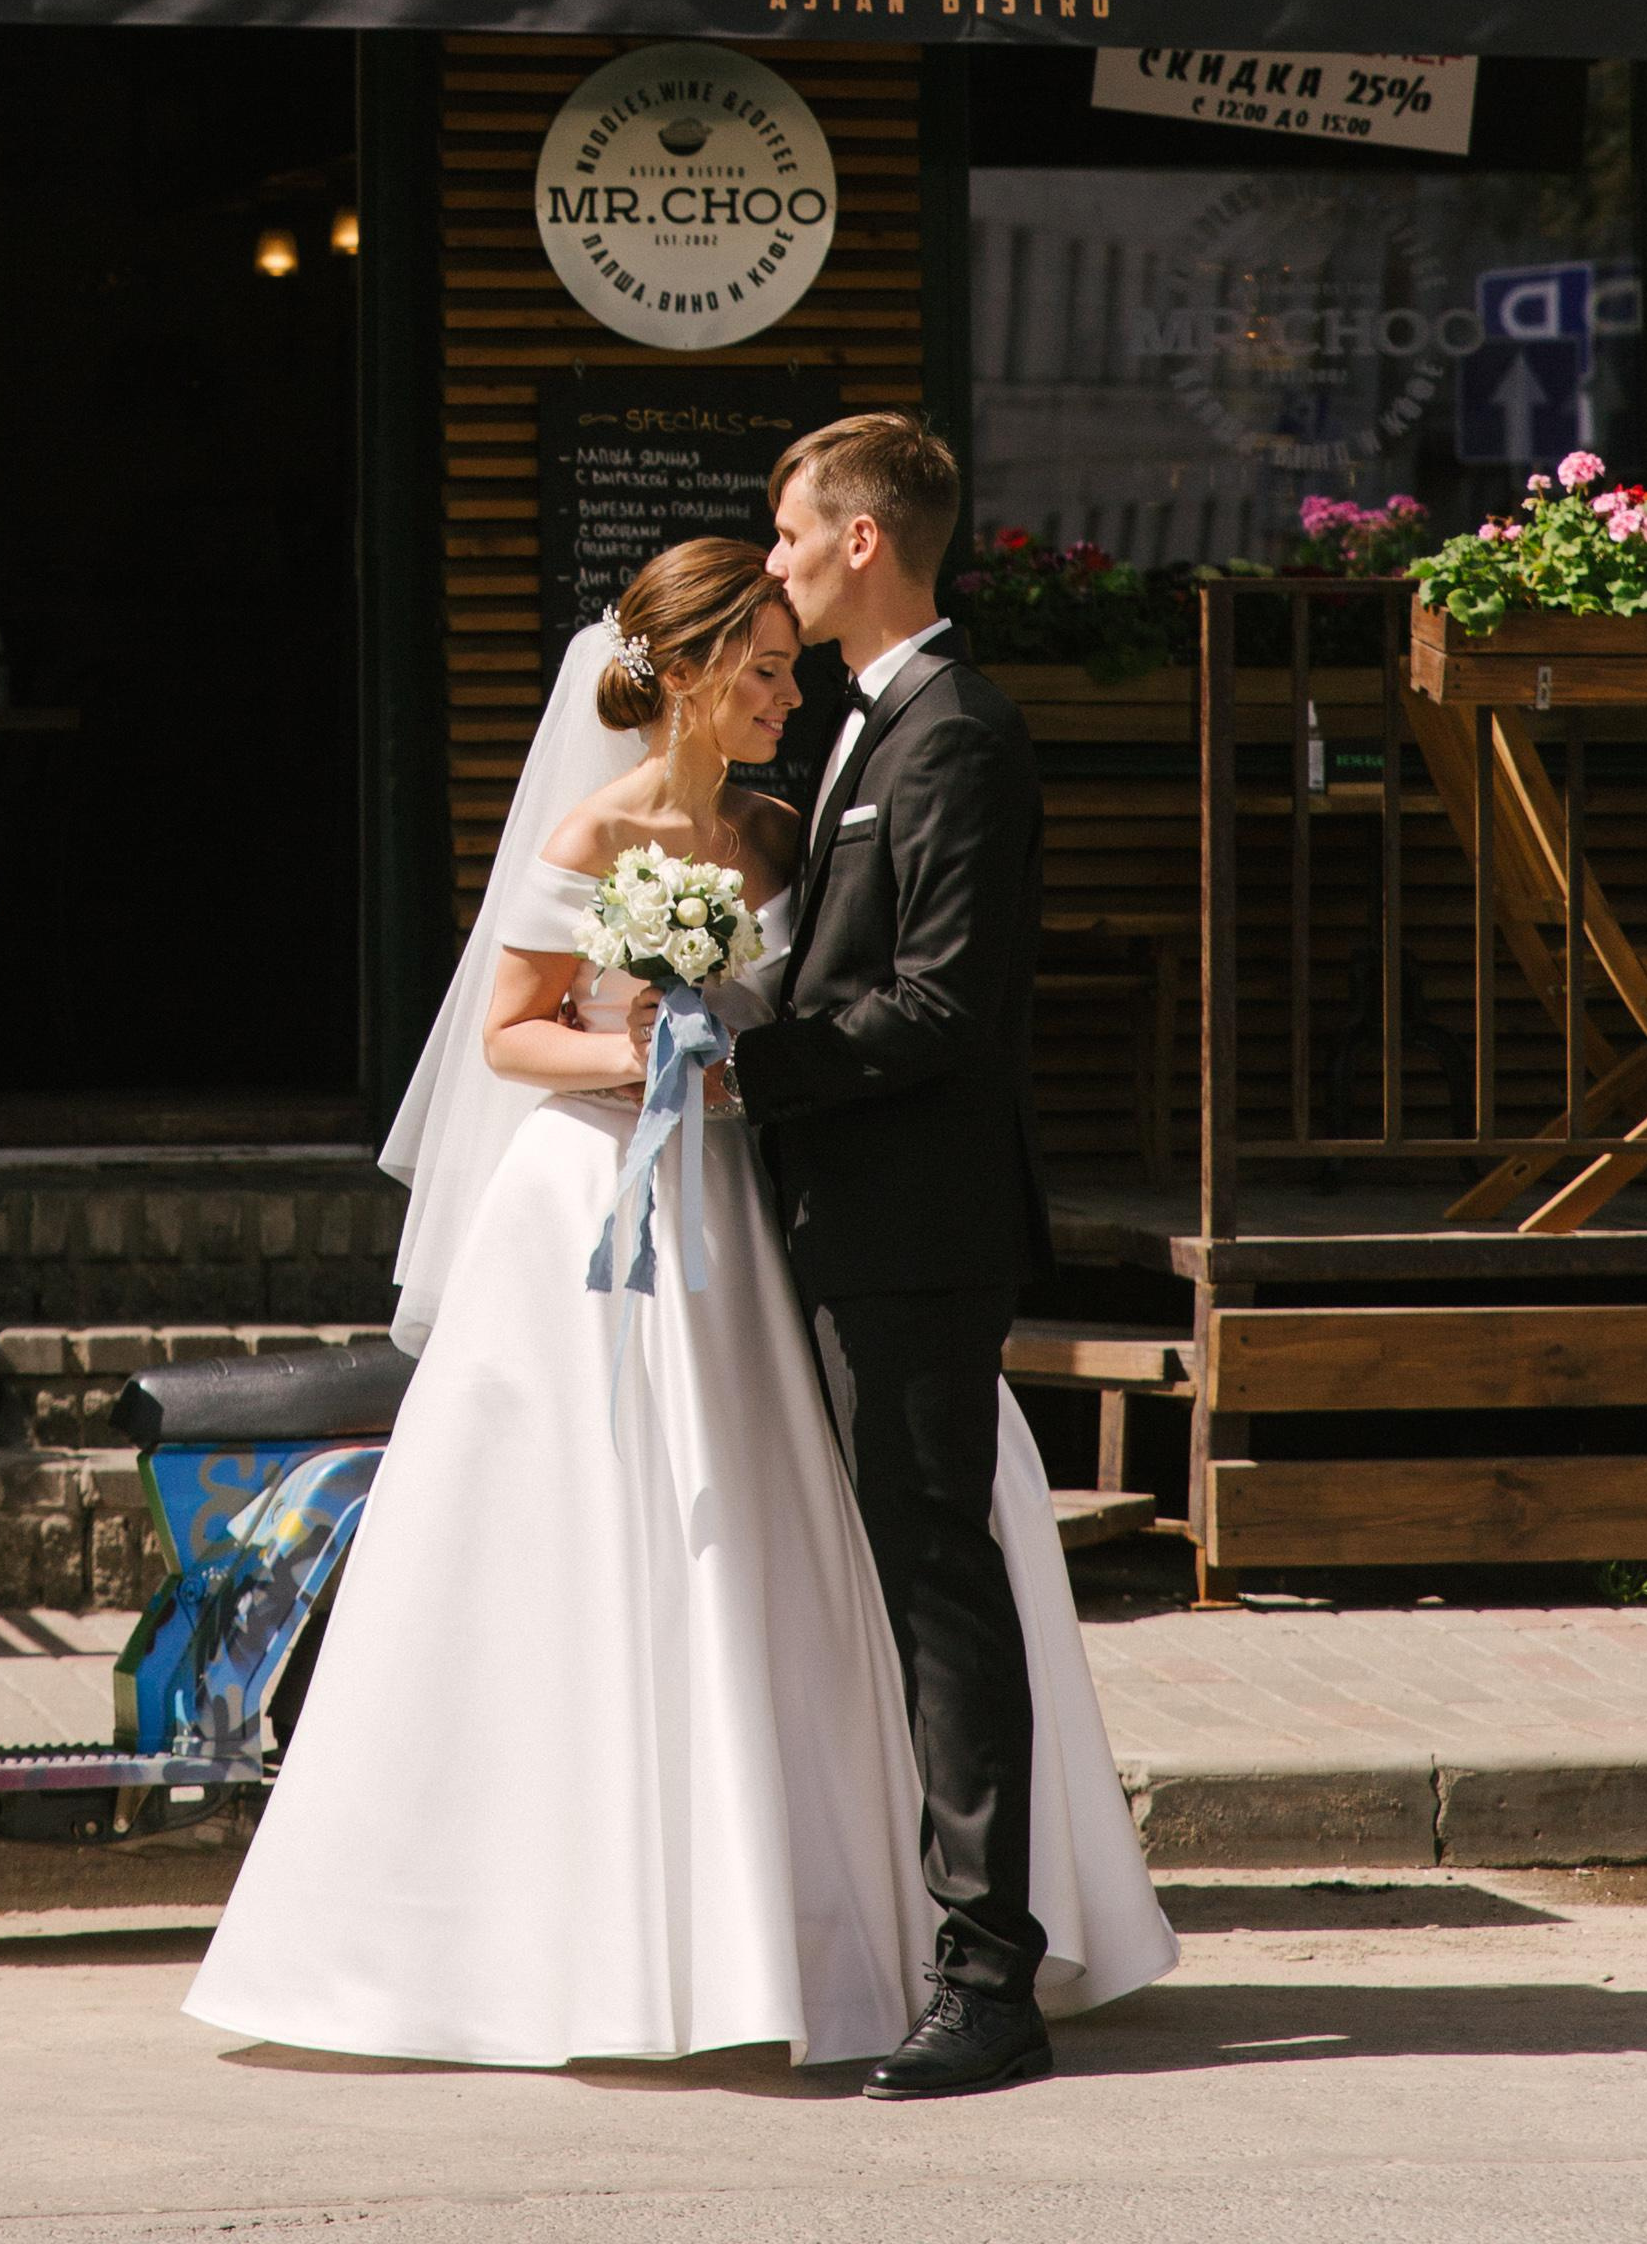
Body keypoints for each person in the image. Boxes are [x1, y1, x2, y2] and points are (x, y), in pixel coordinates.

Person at [183, 533, 1172, 2076]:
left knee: (777, 1542)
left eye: (790, 667)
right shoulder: (594, 830)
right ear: (693, 674)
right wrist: (649, 1060)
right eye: (765, 671)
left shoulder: (779, 832)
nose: (789, 694)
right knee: (618, 1541)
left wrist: (738, 1066)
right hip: (603, 1201)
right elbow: (511, 1034)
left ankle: (798, 1915)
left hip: (757, 1207)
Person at [737, 409, 1059, 2096]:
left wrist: (740, 1068)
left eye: (791, 533)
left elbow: (937, 1003)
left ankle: (990, 1978)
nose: (775, 562)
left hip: (917, 1229)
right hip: (842, 1217)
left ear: (861, 540)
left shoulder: (958, 737)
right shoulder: (872, 724)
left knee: (939, 1579)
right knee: (899, 1567)